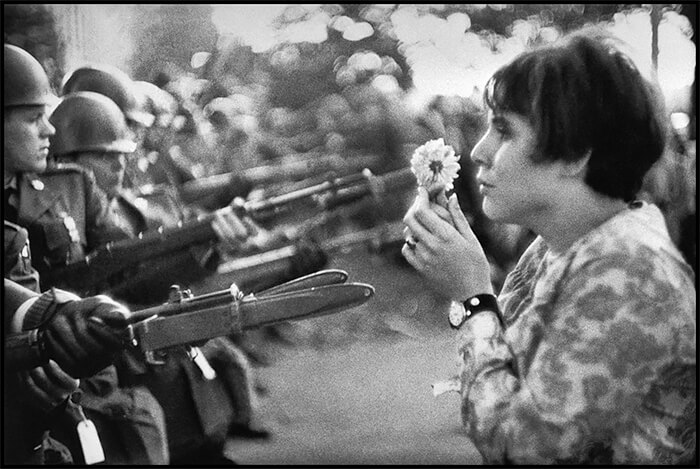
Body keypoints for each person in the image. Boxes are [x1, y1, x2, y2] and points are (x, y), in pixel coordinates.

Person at [402, 29, 696, 465]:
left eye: (504, 130)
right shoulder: (557, 246)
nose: (480, 151)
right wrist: (466, 275)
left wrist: (471, 299)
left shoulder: (630, 270)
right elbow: (509, 377)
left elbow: (522, 448)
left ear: (576, 153)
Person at [49, 89, 272, 464]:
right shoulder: (65, 216)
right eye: (106, 155)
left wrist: (207, 247)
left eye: (122, 151)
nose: (123, 162)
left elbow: (148, 273)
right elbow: (120, 283)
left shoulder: (122, 207)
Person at [4, 42, 169, 465]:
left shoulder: (65, 186)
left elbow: (127, 260)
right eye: (33, 118)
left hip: (61, 371)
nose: (50, 130)